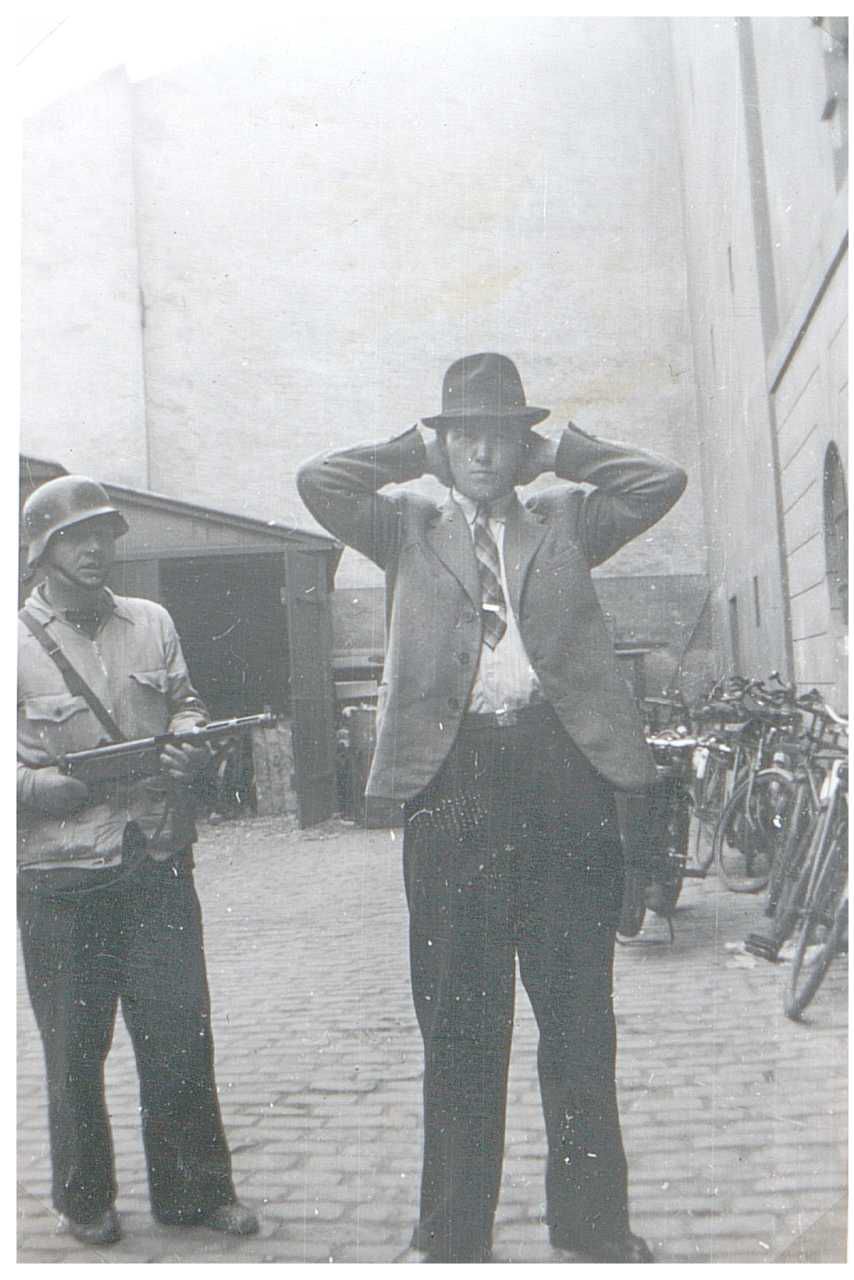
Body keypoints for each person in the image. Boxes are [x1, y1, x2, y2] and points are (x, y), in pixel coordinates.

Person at [297, 352, 687, 1263]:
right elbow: (320, 481)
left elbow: (658, 481)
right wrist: (410, 454)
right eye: (464, 436)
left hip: (563, 774)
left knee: (578, 1019)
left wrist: (565, 453)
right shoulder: (405, 528)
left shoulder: (568, 521)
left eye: (499, 436)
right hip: (454, 784)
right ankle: (452, 1233)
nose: (481, 452)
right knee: (459, 1021)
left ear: (521, 446)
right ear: (444, 445)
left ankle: (591, 1226)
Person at [17, 476, 258, 1247]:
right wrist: (54, 787)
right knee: (74, 1048)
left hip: (155, 857)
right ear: (41, 550)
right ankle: (83, 1199)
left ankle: (195, 1193)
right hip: (62, 876)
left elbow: (185, 701)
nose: (94, 549)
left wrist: (189, 741)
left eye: (103, 535)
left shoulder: (151, 622)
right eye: (75, 537)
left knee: (179, 1034)